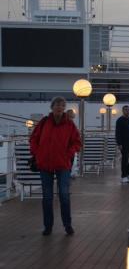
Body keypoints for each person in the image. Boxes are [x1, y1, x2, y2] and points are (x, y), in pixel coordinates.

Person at [29, 96, 81, 236]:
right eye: (57, 105)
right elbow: (33, 138)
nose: (59, 107)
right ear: (52, 107)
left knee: (64, 195)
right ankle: (48, 226)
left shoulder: (69, 125)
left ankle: (67, 225)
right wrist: (37, 153)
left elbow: (77, 142)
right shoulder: (44, 123)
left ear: (64, 108)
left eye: (62, 105)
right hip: (45, 164)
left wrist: (68, 153)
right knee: (47, 197)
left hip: (63, 164)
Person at [115, 105, 129, 183]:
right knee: (125, 159)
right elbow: (117, 132)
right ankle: (124, 176)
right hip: (124, 143)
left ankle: (127, 173)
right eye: (126, 110)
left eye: (128, 110)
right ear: (123, 111)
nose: (128, 111)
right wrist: (119, 143)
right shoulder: (120, 120)